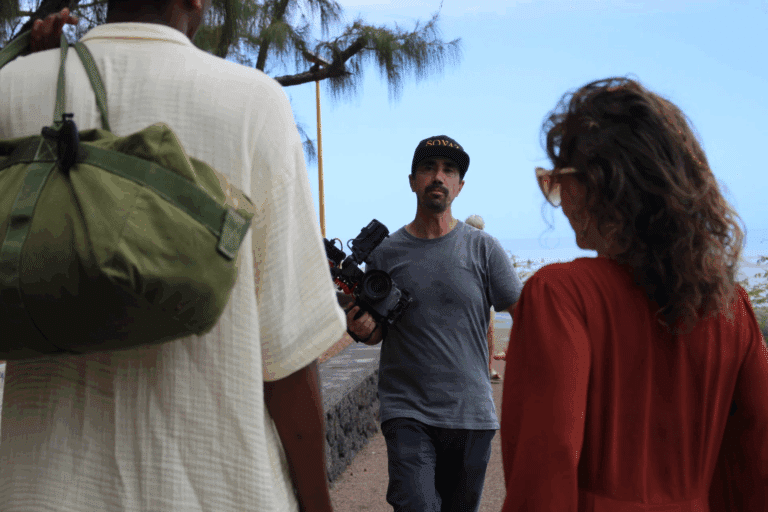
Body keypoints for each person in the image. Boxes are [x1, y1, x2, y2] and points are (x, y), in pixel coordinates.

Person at [0, 2, 346, 511]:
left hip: (41, 493)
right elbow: (288, 355)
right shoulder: (254, 102)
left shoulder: (12, 86)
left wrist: (27, 76)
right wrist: (318, 504)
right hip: (220, 492)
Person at [500, 77, 768, 511]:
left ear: (598, 185)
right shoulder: (731, 306)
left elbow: (544, 473)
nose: (559, 199)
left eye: (557, 181)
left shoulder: (561, 295)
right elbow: (757, 462)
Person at [346, 135, 523, 512]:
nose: (438, 177)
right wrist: (361, 328)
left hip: (471, 414)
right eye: (428, 168)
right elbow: (376, 331)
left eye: (449, 170)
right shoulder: (385, 253)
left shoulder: (483, 249)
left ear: (460, 186)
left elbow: (525, 317)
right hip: (407, 411)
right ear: (412, 181)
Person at [464, 214, 502, 382]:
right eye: (475, 229)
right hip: (467, 298)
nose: (478, 232)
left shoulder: (488, 246)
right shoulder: (459, 246)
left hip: (486, 296)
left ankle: (488, 367)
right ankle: (469, 369)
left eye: (480, 229)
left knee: (489, 333)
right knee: (467, 334)